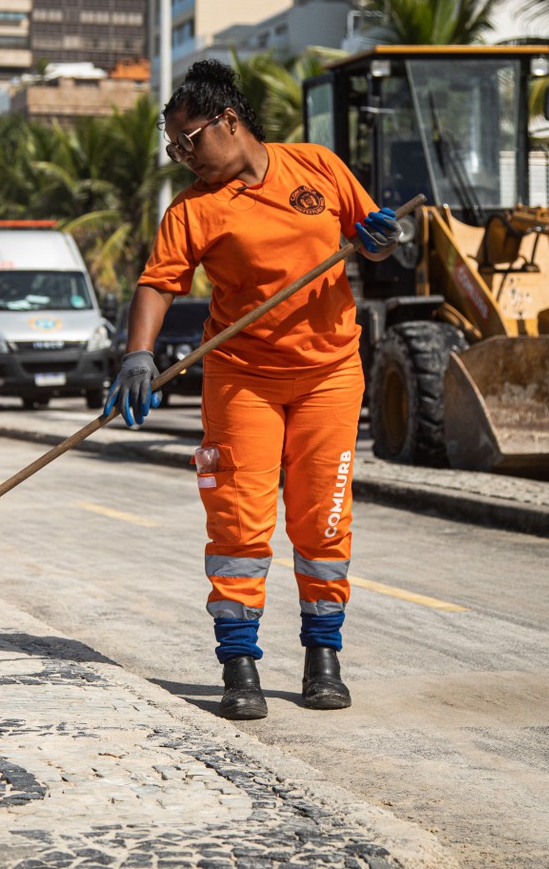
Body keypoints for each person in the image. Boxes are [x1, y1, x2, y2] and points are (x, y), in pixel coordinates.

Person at [104, 59, 404, 721]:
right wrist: (137, 354)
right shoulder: (193, 210)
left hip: (330, 371)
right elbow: (158, 283)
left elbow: (370, 235)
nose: (182, 156)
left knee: (322, 518)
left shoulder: (317, 167)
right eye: (173, 147)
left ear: (229, 121)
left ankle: (323, 654)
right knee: (239, 520)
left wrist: (382, 239)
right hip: (243, 377)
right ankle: (238, 661)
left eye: (190, 141)